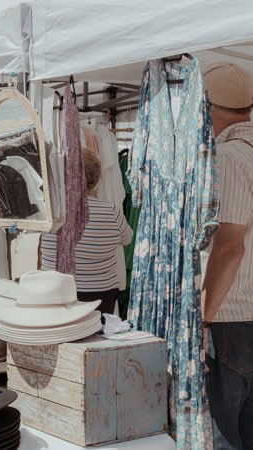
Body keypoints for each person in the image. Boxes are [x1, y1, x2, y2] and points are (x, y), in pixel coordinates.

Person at [202, 62, 253, 449]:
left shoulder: (229, 157)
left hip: (231, 317)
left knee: (223, 433)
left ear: (209, 106)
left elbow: (230, 246)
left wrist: (204, 314)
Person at [40, 148, 133, 314]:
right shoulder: (111, 211)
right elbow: (127, 239)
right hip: (99, 297)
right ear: (97, 179)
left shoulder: (52, 212)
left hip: (53, 294)